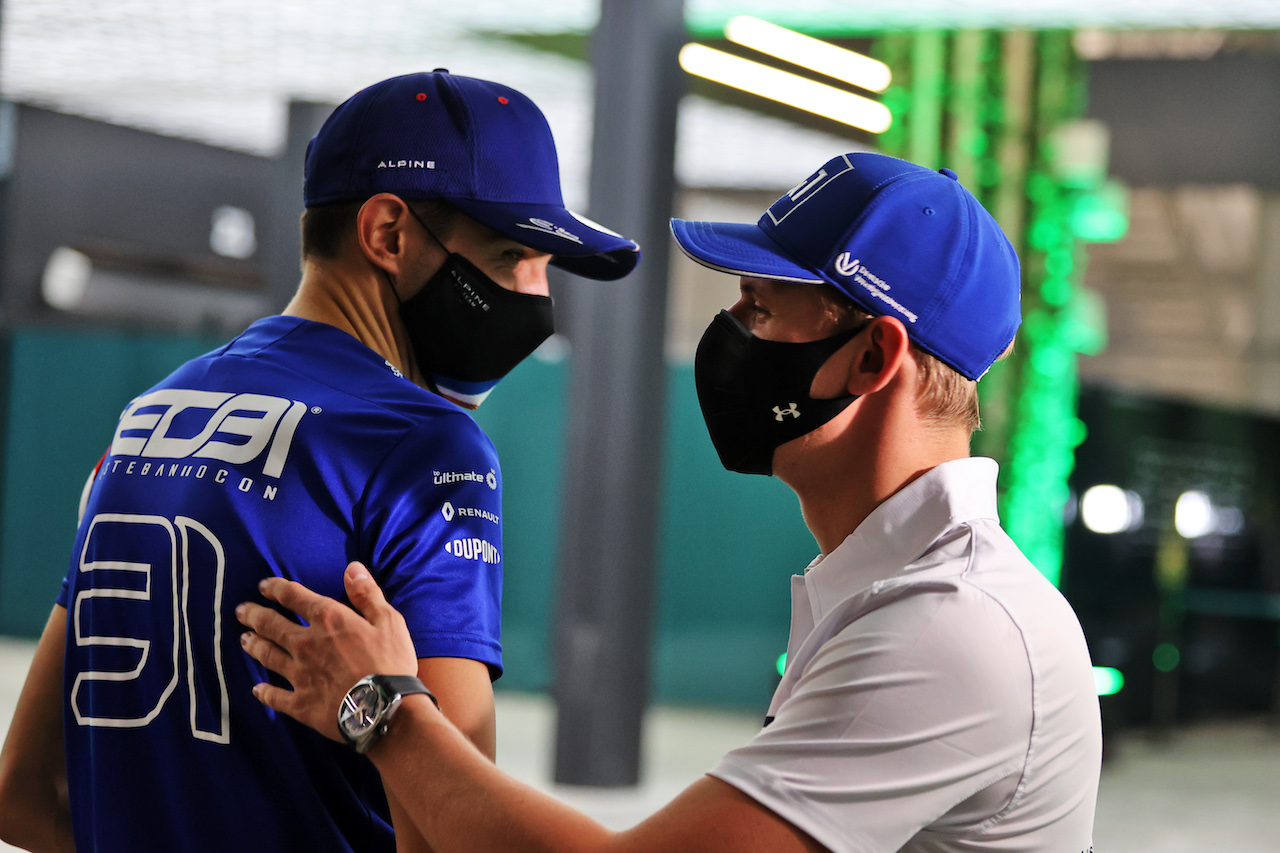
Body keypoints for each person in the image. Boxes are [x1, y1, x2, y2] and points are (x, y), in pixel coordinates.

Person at [236, 152, 1103, 852]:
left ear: (874, 357)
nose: (727, 338)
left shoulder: (954, 627)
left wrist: (381, 710)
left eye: (760, 311)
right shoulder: (895, 593)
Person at [0, 69, 639, 853]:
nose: (538, 296)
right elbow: (454, 833)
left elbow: (24, 794)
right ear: (389, 234)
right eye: (511, 255)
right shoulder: (423, 443)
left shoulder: (147, 418)